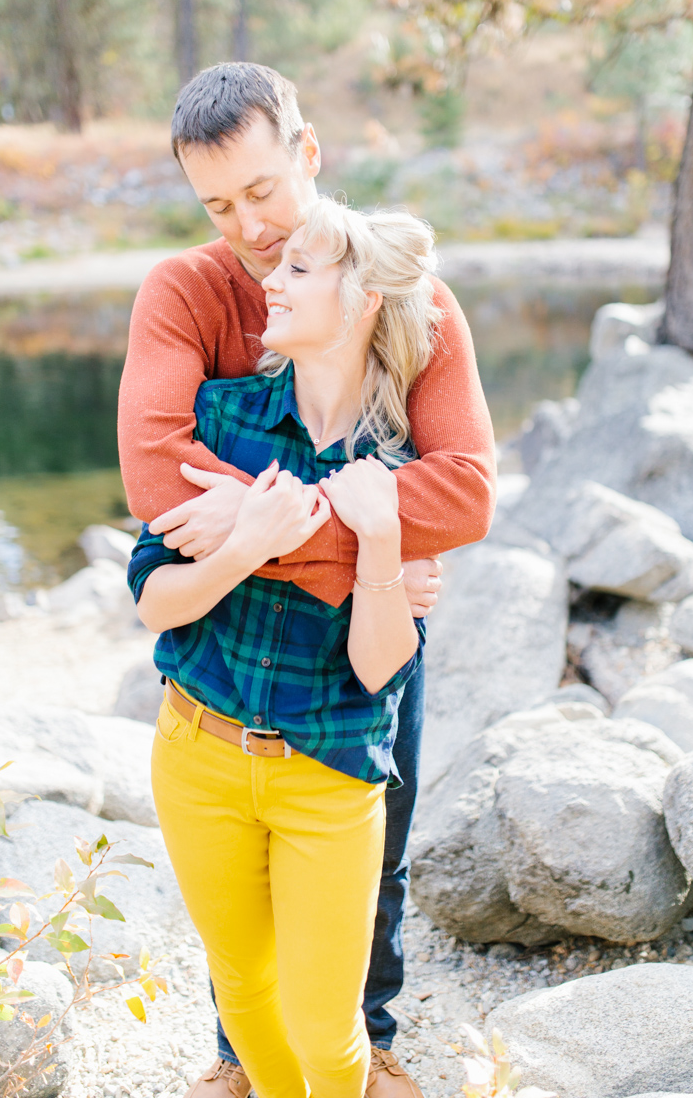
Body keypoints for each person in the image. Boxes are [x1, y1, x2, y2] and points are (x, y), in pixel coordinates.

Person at [117, 62, 496, 1098]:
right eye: (220, 205)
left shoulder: (400, 288)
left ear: (308, 154)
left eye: (263, 191)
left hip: (367, 624)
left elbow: (461, 490)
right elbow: (158, 476)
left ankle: (363, 1040)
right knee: (237, 874)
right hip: (262, 618)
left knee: (378, 829)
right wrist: (358, 534)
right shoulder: (187, 291)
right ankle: (245, 1058)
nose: (251, 228)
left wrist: (298, 524)